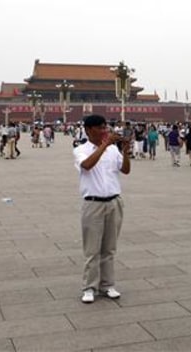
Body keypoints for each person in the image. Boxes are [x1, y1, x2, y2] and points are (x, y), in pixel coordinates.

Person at [73, 114, 130, 304]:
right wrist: (105, 145)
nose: (105, 130)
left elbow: (125, 170)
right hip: (93, 203)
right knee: (92, 249)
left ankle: (107, 285)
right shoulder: (81, 150)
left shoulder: (113, 151)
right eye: (100, 127)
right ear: (89, 130)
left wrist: (126, 150)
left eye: (106, 127)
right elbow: (87, 165)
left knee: (109, 248)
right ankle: (89, 287)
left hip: (114, 202)